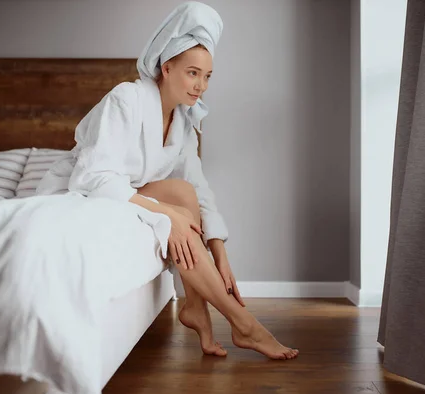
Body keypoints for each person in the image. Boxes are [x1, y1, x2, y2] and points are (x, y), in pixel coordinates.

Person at [37, 1, 298, 360]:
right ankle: (243, 323)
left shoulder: (183, 123)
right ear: (166, 65)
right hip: (81, 192)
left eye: (207, 76)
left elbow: (199, 192)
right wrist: (166, 213)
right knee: (177, 198)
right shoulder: (126, 99)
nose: (201, 86)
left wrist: (220, 253)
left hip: (125, 195)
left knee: (185, 191)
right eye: (193, 73)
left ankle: (197, 308)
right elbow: (93, 176)